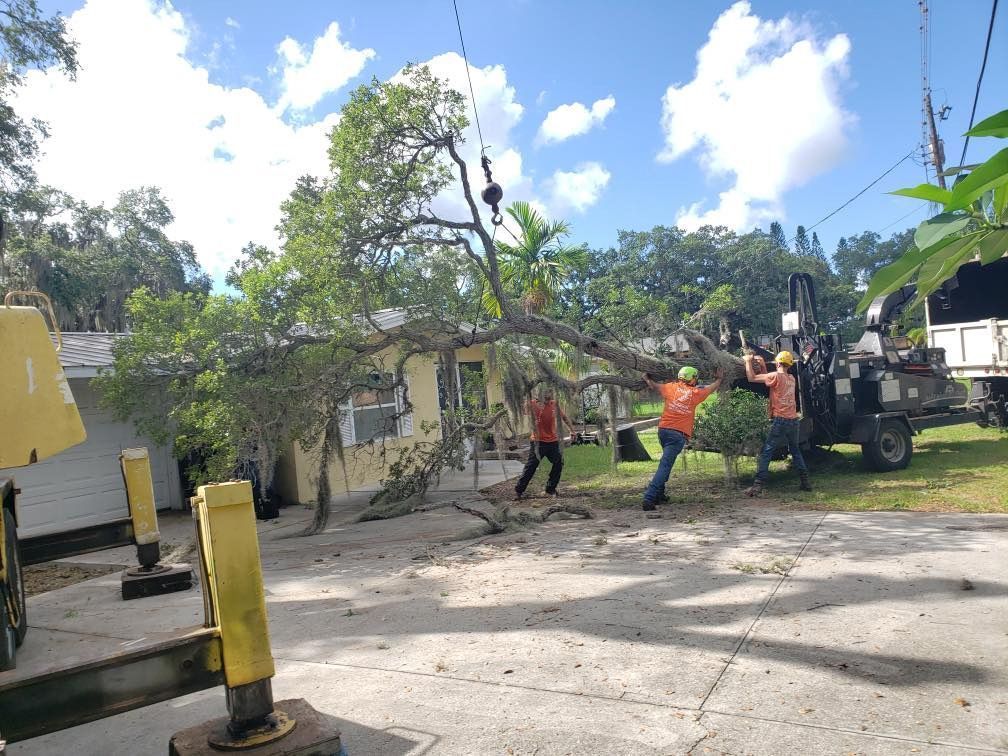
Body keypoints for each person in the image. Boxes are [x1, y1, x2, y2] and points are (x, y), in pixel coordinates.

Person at [642, 365, 723, 511]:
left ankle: (659, 494)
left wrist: (647, 378)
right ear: (691, 378)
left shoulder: (669, 387)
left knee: (666, 463)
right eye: (695, 378)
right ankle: (649, 497)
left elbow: (654, 385)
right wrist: (719, 378)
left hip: (663, 431)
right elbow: (711, 388)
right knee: (665, 466)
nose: (696, 380)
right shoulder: (695, 393)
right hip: (677, 435)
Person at [744, 350, 811, 496]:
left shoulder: (775, 376)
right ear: (789, 364)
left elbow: (752, 378)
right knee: (795, 450)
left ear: (778, 362)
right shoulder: (792, 378)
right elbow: (768, 379)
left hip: (780, 420)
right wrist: (762, 365)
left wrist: (748, 361)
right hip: (793, 420)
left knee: (767, 451)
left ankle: (757, 486)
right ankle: (805, 482)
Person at [514, 388, 576, 500]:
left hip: (552, 441)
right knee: (531, 466)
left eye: (551, 395)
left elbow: (564, 418)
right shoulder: (532, 404)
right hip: (538, 442)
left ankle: (550, 488)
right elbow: (521, 410)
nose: (550, 398)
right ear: (542, 396)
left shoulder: (554, 404)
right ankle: (519, 490)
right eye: (547, 396)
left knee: (558, 462)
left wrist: (572, 430)